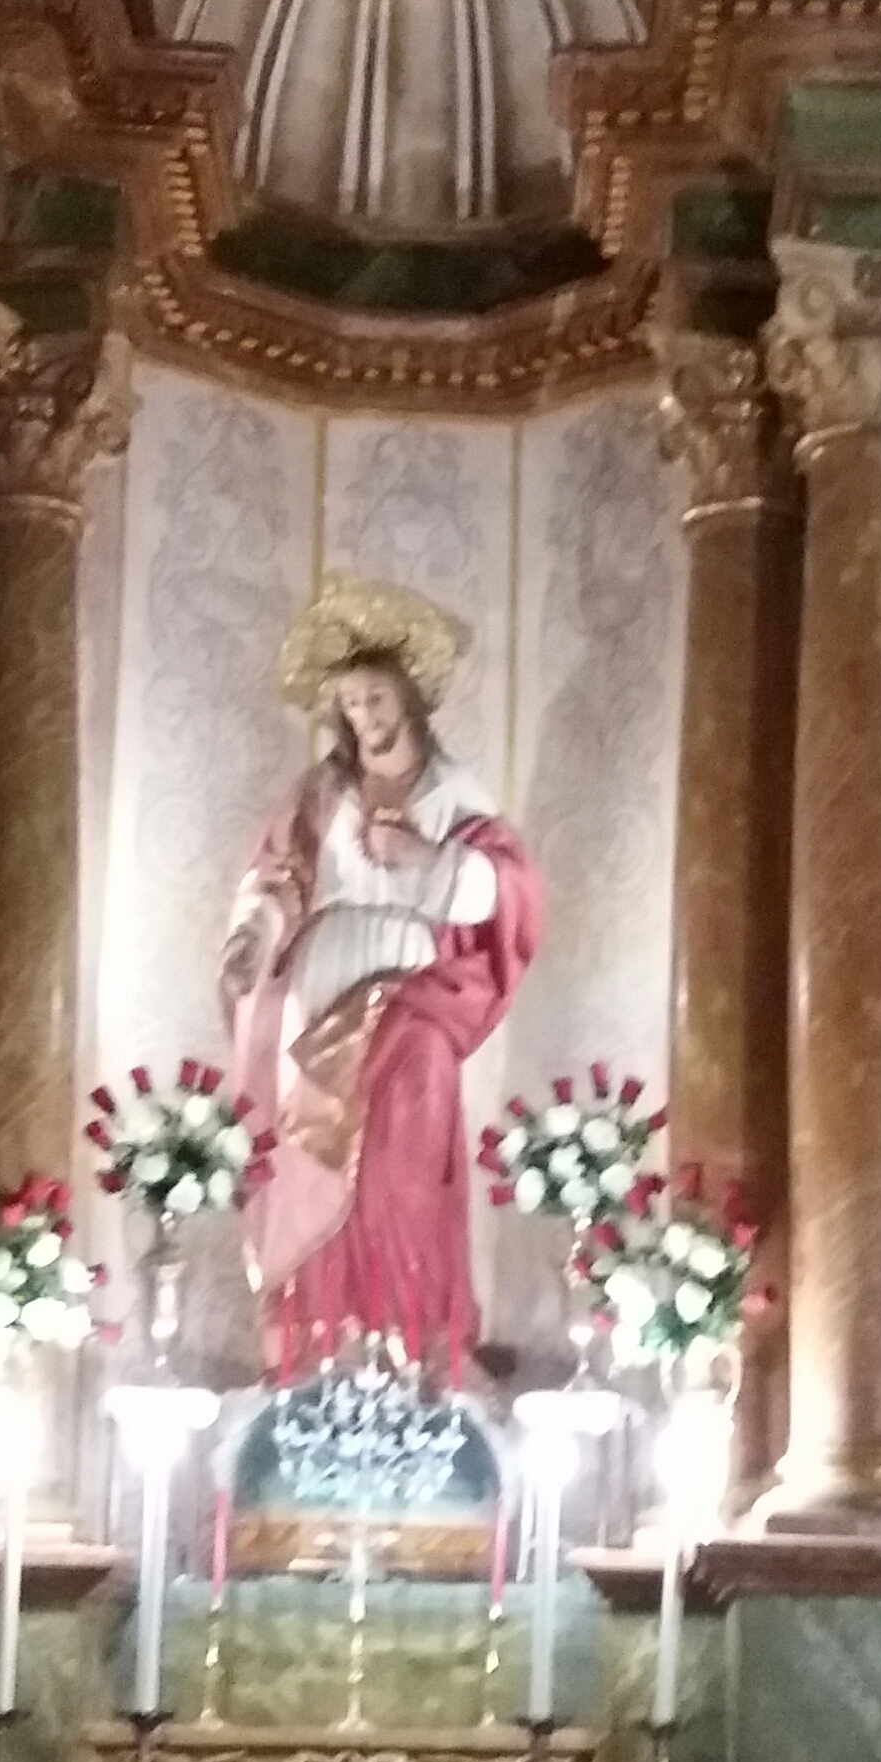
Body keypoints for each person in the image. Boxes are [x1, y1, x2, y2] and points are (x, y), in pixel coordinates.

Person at [223, 576, 541, 1370]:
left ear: (409, 699)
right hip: (319, 993)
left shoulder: (455, 794)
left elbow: (511, 892)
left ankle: (410, 1345)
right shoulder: (320, 793)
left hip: (416, 998)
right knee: (315, 1166)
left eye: (376, 698)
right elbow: (278, 877)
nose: (364, 715)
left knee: (403, 1175)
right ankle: (320, 1356)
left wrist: (429, 861)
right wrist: (252, 935)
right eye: (351, 703)